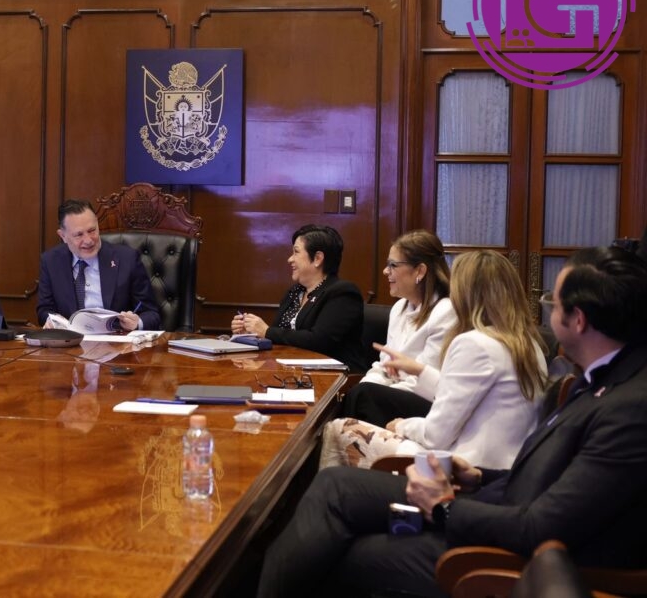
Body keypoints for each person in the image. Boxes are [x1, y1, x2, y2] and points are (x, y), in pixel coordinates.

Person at [257, 246, 647, 598]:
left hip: (519, 556)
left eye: (553, 303)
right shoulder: (603, 379)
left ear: (578, 320)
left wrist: (444, 508)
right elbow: (548, 479)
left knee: (341, 548)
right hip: (494, 502)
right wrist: (479, 477)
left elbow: (541, 526)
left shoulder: (628, 411)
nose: (547, 312)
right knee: (335, 486)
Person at [321, 250, 546, 470]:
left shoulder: (474, 343)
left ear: (465, 294)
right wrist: (420, 371)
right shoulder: (528, 344)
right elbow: (462, 393)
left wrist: (401, 425)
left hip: (463, 470)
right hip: (509, 466)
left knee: (340, 430)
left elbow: (435, 436)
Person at [339, 229, 456, 425]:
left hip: (430, 403)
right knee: (354, 393)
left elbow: (426, 379)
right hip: (394, 394)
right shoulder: (399, 308)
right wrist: (366, 385)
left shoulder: (446, 312)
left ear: (420, 271)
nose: (386, 271)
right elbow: (385, 366)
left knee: (364, 396)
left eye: (393, 265)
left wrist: (374, 391)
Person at [232, 224, 368, 371]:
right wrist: (251, 333)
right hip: (290, 370)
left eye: (296, 252)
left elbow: (319, 341)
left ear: (317, 258)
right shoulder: (295, 291)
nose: (290, 259)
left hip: (334, 375)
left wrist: (266, 331)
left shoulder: (343, 293)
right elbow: (278, 335)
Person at [37, 199, 161, 331]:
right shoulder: (51, 261)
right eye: (79, 235)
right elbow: (44, 310)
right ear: (63, 236)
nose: (88, 240)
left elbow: (151, 313)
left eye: (92, 230)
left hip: (117, 338)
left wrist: (137, 323)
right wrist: (52, 320)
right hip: (71, 339)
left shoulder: (127, 259)